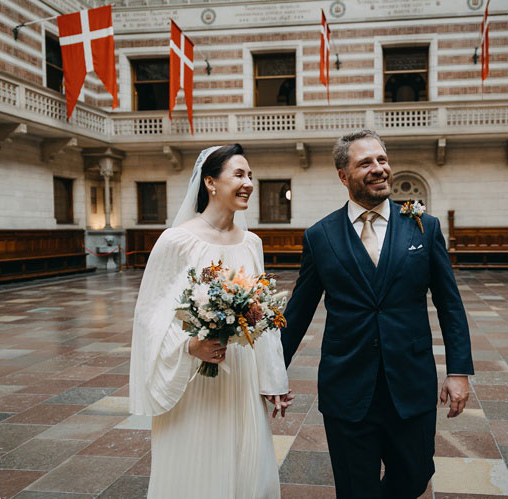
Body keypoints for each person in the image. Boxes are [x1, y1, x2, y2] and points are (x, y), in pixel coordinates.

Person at [281, 129, 474, 498]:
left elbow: (449, 303)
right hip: (347, 389)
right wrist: (271, 372)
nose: (378, 168)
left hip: (411, 384)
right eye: (365, 162)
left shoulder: (424, 226)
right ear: (343, 175)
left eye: (382, 159)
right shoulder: (320, 237)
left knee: (416, 476)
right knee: (355, 489)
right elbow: (298, 312)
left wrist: (458, 371)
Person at [129, 144, 291, 498]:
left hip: (242, 374)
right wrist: (190, 345)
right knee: (197, 462)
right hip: (194, 375)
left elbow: (261, 316)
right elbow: (150, 315)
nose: (248, 182)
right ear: (210, 183)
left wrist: (274, 379)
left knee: (244, 459)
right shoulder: (177, 241)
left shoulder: (252, 243)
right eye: (238, 174)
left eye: (250, 175)